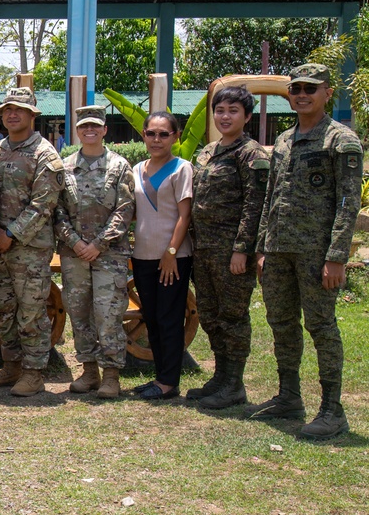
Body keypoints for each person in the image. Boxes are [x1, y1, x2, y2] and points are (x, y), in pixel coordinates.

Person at [249, 63, 363, 440]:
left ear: (327, 93)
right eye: (296, 88)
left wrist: (336, 256)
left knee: (321, 326)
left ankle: (332, 409)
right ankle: (289, 396)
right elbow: (270, 198)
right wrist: (263, 247)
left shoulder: (340, 140)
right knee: (281, 323)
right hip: (280, 251)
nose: (301, 94)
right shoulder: (283, 140)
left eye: (310, 89)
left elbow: (348, 202)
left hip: (317, 253)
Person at [0, 88, 64, 397]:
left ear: (32, 115)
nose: (12, 114)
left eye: (19, 110)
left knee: (30, 311)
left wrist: (10, 234)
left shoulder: (45, 153)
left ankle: (33, 372)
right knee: (4, 309)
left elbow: (43, 204)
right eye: (7, 110)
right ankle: (12, 365)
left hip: (28, 248)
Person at [189, 86, 269, 409]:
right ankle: (221, 376)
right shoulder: (207, 151)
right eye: (220, 110)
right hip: (203, 249)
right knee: (209, 314)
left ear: (246, 116)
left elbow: (255, 205)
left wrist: (243, 249)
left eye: (233, 110)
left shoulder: (251, 155)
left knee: (233, 316)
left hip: (231, 252)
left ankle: (234, 383)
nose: (225, 116)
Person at [53, 105, 135, 399]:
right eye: (84, 126)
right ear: (77, 131)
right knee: (79, 312)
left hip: (108, 255)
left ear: (104, 130)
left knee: (108, 313)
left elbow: (124, 210)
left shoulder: (119, 166)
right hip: (74, 253)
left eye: (95, 126)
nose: (89, 131)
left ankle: (111, 375)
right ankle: (89, 371)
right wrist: (75, 242)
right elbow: (57, 210)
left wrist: (98, 244)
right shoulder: (64, 166)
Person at [130, 111, 193, 400]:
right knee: (152, 317)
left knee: (169, 318)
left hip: (172, 258)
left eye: (163, 134)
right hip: (142, 256)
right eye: (151, 133)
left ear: (175, 136)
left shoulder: (181, 169)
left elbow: (185, 216)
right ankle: (160, 377)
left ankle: (169, 382)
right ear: (143, 135)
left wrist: (171, 252)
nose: (156, 139)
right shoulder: (136, 169)